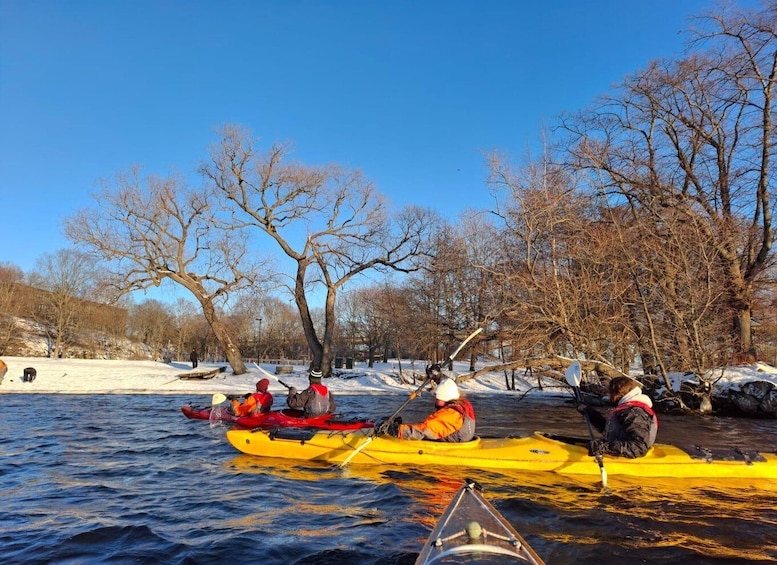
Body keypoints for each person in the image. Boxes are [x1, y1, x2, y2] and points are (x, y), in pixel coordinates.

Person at [580, 376, 659, 458]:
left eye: (610, 392)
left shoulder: (633, 412)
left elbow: (639, 447)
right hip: (619, 453)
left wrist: (605, 447)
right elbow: (611, 431)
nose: (608, 396)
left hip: (628, 460)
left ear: (616, 393)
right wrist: (589, 412)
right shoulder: (628, 409)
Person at [394, 378, 476, 442]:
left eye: (438, 398)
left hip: (452, 448)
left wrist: (397, 430)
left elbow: (425, 430)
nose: (435, 400)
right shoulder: (461, 406)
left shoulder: (451, 414)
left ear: (445, 398)